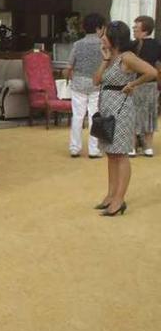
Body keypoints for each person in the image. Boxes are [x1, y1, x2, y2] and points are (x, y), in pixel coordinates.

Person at [92, 21, 159, 216]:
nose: (101, 37)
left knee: (120, 154)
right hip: (106, 108)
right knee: (111, 154)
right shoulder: (110, 57)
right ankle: (111, 195)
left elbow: (152, 72)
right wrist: (104, 60)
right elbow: (96, 81)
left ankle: (119, 199)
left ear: (114, 37)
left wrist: (134, 84)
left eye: (104, 34)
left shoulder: (127, 57)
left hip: (121, 109)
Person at [64, 13, 106, 158]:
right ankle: (93, 149)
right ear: (99, 28)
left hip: (79, 82)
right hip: (96, 83)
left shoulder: (77, 44)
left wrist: (68, 78)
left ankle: (75, 148)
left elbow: (69, 66)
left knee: (77, 116)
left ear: (84, 27)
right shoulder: (103, 45)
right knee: (95, 115)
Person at [131, 15, 161, 156]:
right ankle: (148, 147)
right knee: (150, 114)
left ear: (145, 31)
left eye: (136, 27)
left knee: (132, 114)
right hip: (151, 84)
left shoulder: (132, 45)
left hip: (134, 84)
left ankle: (131, 146)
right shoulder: (157, 44)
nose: (134, 29)